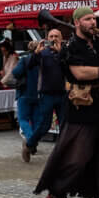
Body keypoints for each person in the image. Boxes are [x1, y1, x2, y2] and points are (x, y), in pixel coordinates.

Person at [34, 8, 99, 198]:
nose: (93, 22)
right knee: (76, 159)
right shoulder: (70, 47)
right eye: (88, 19)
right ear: (77, 22)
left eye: (94, 18)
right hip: (81, 108)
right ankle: (55, 197)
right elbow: (80, 73)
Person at [23, 28, 65, 162]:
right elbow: (29, 65)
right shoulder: (42, 53)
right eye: (51, 36)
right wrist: (36, 53)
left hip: (62, 94)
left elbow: (71, 66)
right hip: (46, 94)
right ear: (47, 38)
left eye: (56, 36)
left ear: (61, 38)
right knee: (44, 125)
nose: (53, 39)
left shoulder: (65, 53)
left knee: (64, 125)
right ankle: (29, 144)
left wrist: (61, 53)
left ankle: (63, 154)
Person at [5, 37, 42, 152]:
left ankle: (30, 141)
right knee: (36, 120)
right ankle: (33, 141)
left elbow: (15, 73)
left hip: (25, 93)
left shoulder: (25, 60)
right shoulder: (43, 60)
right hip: (39, 95)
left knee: (24, 119)